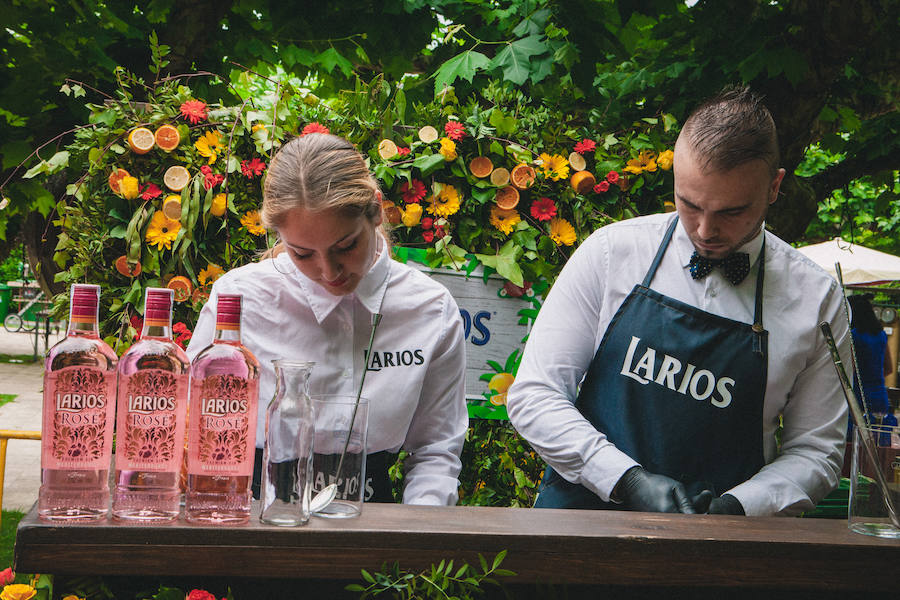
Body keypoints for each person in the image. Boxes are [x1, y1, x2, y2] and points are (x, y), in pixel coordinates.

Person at [506, 87, 851, 517]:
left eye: (731, 212)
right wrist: (625, 479)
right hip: (581, 529)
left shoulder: (817, 299)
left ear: (775, 187)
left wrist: (739, 507)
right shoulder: (611, 253)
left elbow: (817, 451)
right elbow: (534, 395)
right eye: (689, 205)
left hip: (716, 553)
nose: (705, 230)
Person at [187, 133, 468, 506]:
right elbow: (190, 424)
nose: (328, 271)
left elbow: (435, 450)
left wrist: (418, 539)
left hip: (372, 515)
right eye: (302, 253)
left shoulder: (429, 308)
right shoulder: (240, 298)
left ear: (376, 210)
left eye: (346, 246)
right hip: (251, 512)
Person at [848, 294, 894, 423]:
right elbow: (889, 368)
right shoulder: (881, 335)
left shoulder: (853, 337)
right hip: (880, 397)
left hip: (858, 397)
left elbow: (849, 368)